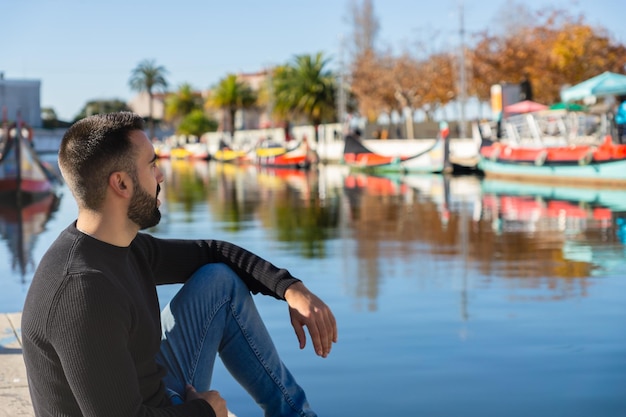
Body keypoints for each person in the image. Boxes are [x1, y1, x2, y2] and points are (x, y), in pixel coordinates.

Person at [21, 112, 337, 417]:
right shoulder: (83, 291)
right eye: (152, 165)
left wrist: (291, 289)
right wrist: (204, 411)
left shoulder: (119, 247)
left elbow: (214, 251)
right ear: (121, 184)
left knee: (219, 281)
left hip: (154, 395)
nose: (161, 175)